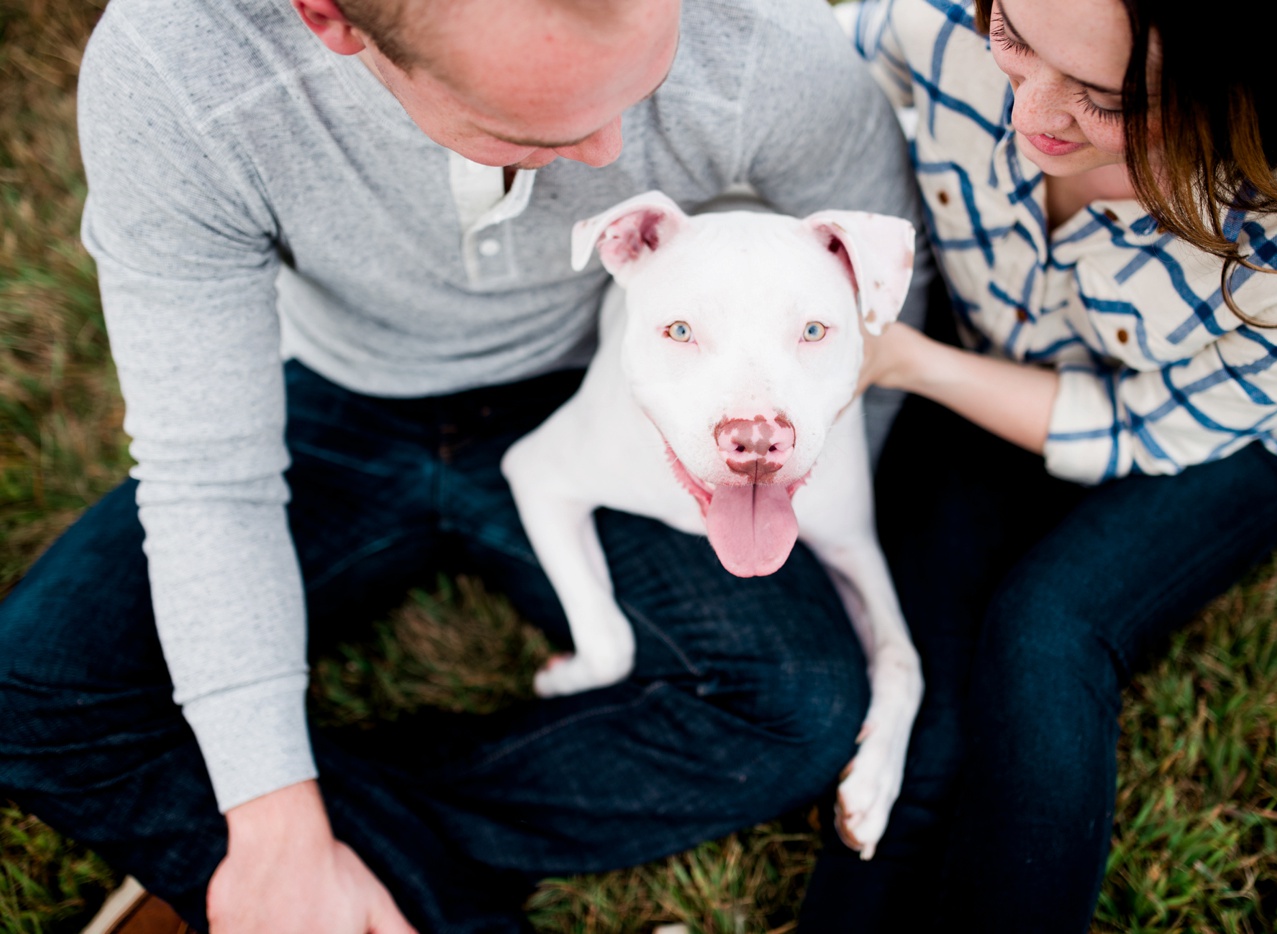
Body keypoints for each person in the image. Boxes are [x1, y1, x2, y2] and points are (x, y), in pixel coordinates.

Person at [0, 0, 930, 931]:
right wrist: (272, 820)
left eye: (642, 82)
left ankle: (278, 857)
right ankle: (326, 864)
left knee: (797, 707)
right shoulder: (181, 71)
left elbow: (877, 322)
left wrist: (268, 810)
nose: (613, 151)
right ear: (334, 21)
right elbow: (210, 479)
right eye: (532, 126)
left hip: (585, 398)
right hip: (323, 396)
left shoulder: (767, 45)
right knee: (34, 688)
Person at [800, 0, 1277, 930]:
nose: (1029, 113)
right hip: (990, 378)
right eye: (1015, 39)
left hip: (1213, 443)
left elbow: (1148, 432)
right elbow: (812, 84)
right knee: (925, 692)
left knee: (1043, 631)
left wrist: (915, 365)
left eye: (1106, 100)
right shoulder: (938, 20)